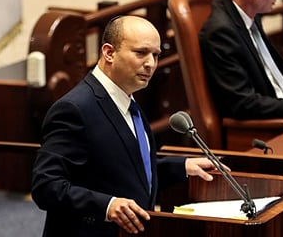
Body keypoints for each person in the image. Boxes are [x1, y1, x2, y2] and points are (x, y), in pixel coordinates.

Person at [32, 15, 216, 237]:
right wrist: (107, 205)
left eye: (156, 55)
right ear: (109, 52)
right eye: (141, 53)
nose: (150, 64)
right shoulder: (75, 109)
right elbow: (46, 186)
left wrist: (180, 166)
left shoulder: (127, 100)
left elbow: (122, 164)